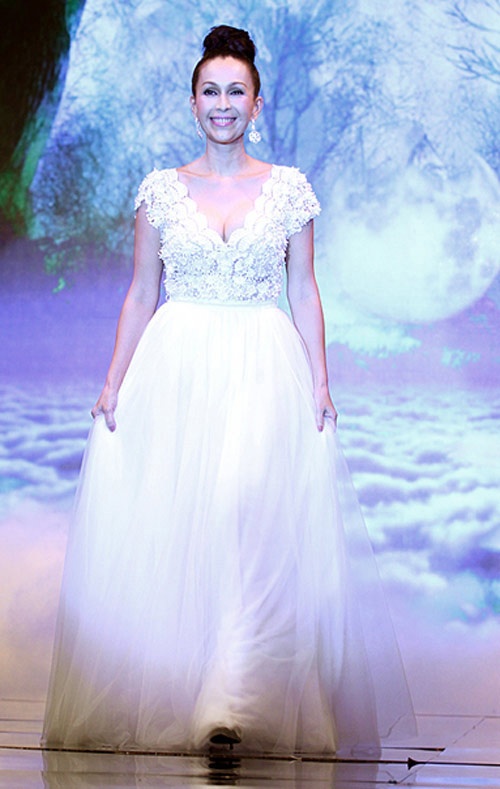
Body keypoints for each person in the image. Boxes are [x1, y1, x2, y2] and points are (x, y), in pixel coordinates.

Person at [42, 25, 414, 755]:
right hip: (176, 365)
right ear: (192, 104)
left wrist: (321, 381)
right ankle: (198, 687)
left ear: (256, 102)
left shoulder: (287, 189)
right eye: (210, 91)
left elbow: (303, 290)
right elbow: (140, 291)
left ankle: (232, 697)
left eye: (235, 91)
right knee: (187, 525)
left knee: (243, 507)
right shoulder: (160, 191)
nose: (222, 104)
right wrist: (113, 380)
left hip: (261, 362)